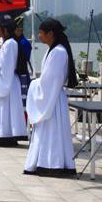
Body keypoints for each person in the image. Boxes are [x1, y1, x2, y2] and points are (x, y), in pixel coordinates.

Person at [24, 18, 78, 177]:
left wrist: (34, 84)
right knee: (50, 133)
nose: (39, 36)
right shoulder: (53, 50)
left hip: (52, 98)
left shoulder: (58, 52)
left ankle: (52, 164)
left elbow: (50, 81)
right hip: (51, 97)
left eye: (41, 33)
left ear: (50, 34)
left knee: (53, 133)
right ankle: (45, 162)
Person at [0, 15, 28, 147]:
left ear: (5, 30)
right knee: (6, 110)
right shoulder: (8, 43)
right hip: (7, 81)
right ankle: (4, 134)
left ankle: (7, 135)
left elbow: (7, 66)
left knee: (7, 110)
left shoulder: (10, 44)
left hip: (8, 82)